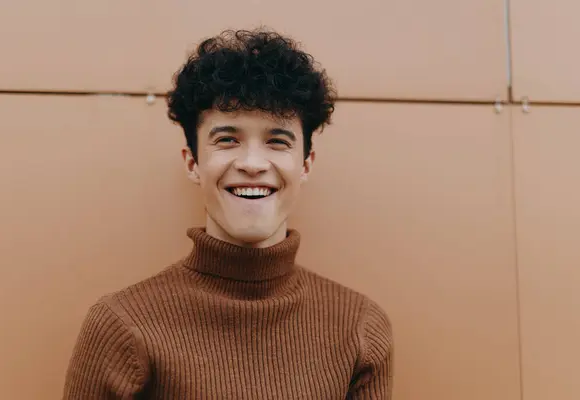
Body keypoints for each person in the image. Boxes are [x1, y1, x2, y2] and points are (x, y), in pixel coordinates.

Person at [63, 28, 393, 399]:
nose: (253, 163)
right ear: (192, 163)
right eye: (227, 139)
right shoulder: (121, 326)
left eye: (277, 141)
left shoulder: (359, 328)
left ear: (305, 164)